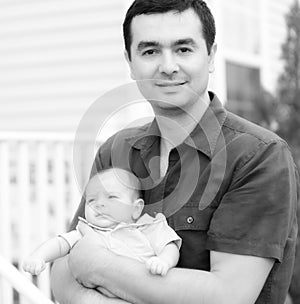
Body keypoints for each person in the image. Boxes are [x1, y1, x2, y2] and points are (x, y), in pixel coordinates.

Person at [51, 0, 299, 303]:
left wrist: (96, 263)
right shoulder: (116, 151)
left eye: (183, 49)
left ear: (210, 56)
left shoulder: (258, 156)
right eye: (150, 51)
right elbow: (63, 270)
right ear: (130, 62)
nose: (167, 66)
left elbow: (228, 296)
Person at [23, 168, 181, 281]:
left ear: (136, 208)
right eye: (91, 200)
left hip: (142, 289)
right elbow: (60, 243)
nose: (100, 204)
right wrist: (39, 256)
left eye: (111, 197)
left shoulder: (148, 227)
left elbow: (169, 246)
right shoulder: (87, 231)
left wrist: (164, 261)